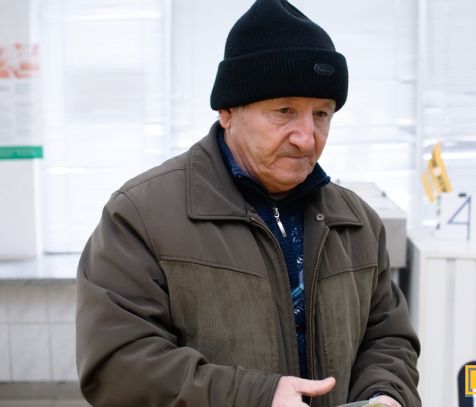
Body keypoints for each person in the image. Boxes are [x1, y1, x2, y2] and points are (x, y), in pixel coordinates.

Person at [75, 0, 421, 406]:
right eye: (284, 111)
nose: (306, 138)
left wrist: (385, 394)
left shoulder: (358, 223)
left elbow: (387, 339)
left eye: (322, 114)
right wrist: (257, 398)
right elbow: (118, 364)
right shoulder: (140, 216)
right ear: (227, 111)